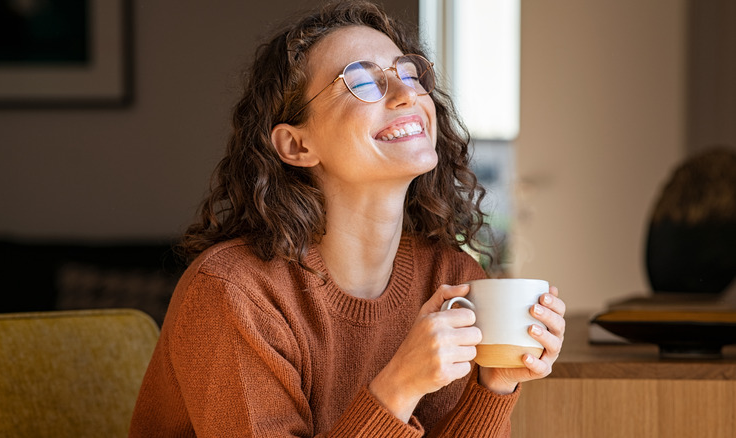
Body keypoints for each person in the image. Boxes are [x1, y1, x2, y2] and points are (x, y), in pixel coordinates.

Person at [129, 1, 566, 436]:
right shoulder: (234, 294)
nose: (407, 93)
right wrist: (399, 386)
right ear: (297, 146)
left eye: (409, 73)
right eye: (362, 81)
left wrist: (495, 385)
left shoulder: (451, 277)